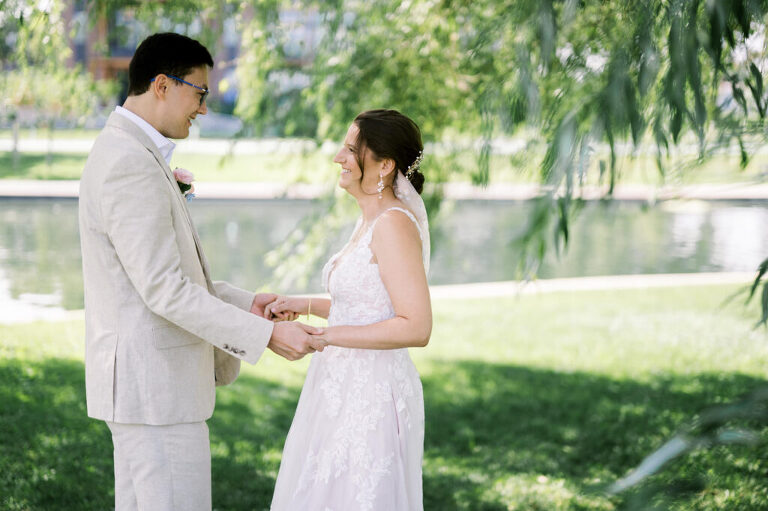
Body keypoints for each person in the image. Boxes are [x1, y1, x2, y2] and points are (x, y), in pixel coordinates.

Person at [78, 32, 325, 511]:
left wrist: (244, 302)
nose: (204, 108)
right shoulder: (128, 162)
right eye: (200, 92)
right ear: (162, 86)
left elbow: (164, 277)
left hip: (146, 392)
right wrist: (264, 336)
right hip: (157, 394)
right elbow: (164, 290)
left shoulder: (129, 152)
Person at [267, 109, 432, 510]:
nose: (339, 158)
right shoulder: (370, 220)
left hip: (371, 394)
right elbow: (365, 305)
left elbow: (416, 326)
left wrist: (326, 337)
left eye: (350, 149)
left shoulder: (393, 224)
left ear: (385, 164)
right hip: (339, 384)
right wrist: (303, 305)